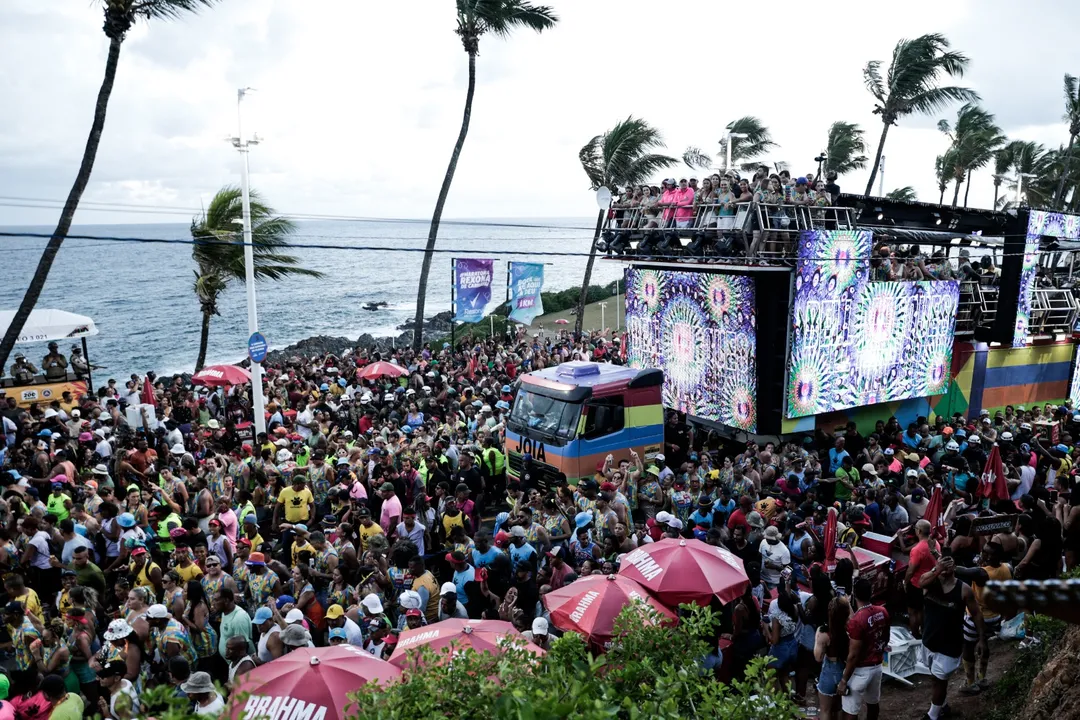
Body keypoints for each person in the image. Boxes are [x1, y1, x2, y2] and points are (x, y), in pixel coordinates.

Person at [918, 553, 984, 720]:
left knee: (940, 680)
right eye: (942, 566)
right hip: (929, 640)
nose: (945, 570)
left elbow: (976, 613)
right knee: (935, 678)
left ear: (954, 568)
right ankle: (943, 706)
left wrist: (982, 639)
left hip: (949, 645)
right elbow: (920, 582)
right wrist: (937, 569)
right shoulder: (932, 582)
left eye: (949, 566)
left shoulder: (963, 589)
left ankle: (932, 716)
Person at [838, 578, 888, 720]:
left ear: (854, 594)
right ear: (871, 593)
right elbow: (885, 638)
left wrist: (843, 680)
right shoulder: (882, 611)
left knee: (851, 710)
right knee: (873, 703)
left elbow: (853, 655)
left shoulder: (856, 621)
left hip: (859, 671)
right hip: (877, 666)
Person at [904, 519, 939, 638]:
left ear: (918, 531)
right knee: (923, 610)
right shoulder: (935, 543)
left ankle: (915, 635)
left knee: (913, 612)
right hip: (931, 582)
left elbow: (911, 570)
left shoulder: (917, 549)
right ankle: (924, 632)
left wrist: (905, 582)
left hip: (917, 584)